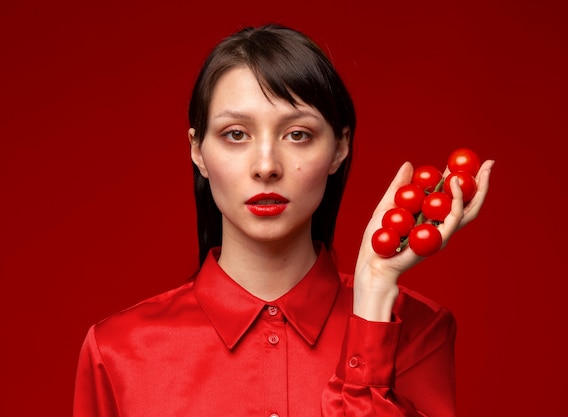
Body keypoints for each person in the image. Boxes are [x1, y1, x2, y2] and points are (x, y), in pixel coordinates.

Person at [73, 23, 494, 417]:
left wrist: (374, 298)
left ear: (340, 146)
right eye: (236, 134)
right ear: (198, 149)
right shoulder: (116, 351)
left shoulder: (417, 331)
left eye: (298, 134)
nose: (266, 165)